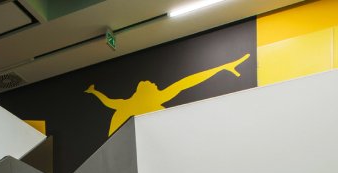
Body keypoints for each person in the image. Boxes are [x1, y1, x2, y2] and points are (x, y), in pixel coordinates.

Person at [85, 53, 250, 136]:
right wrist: (221, 68)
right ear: (144, 92)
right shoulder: (139, 103)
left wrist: (221, 67)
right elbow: (185, 83)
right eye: (152, 85)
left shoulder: (126, 104)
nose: (155, 85)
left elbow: (187, 82)